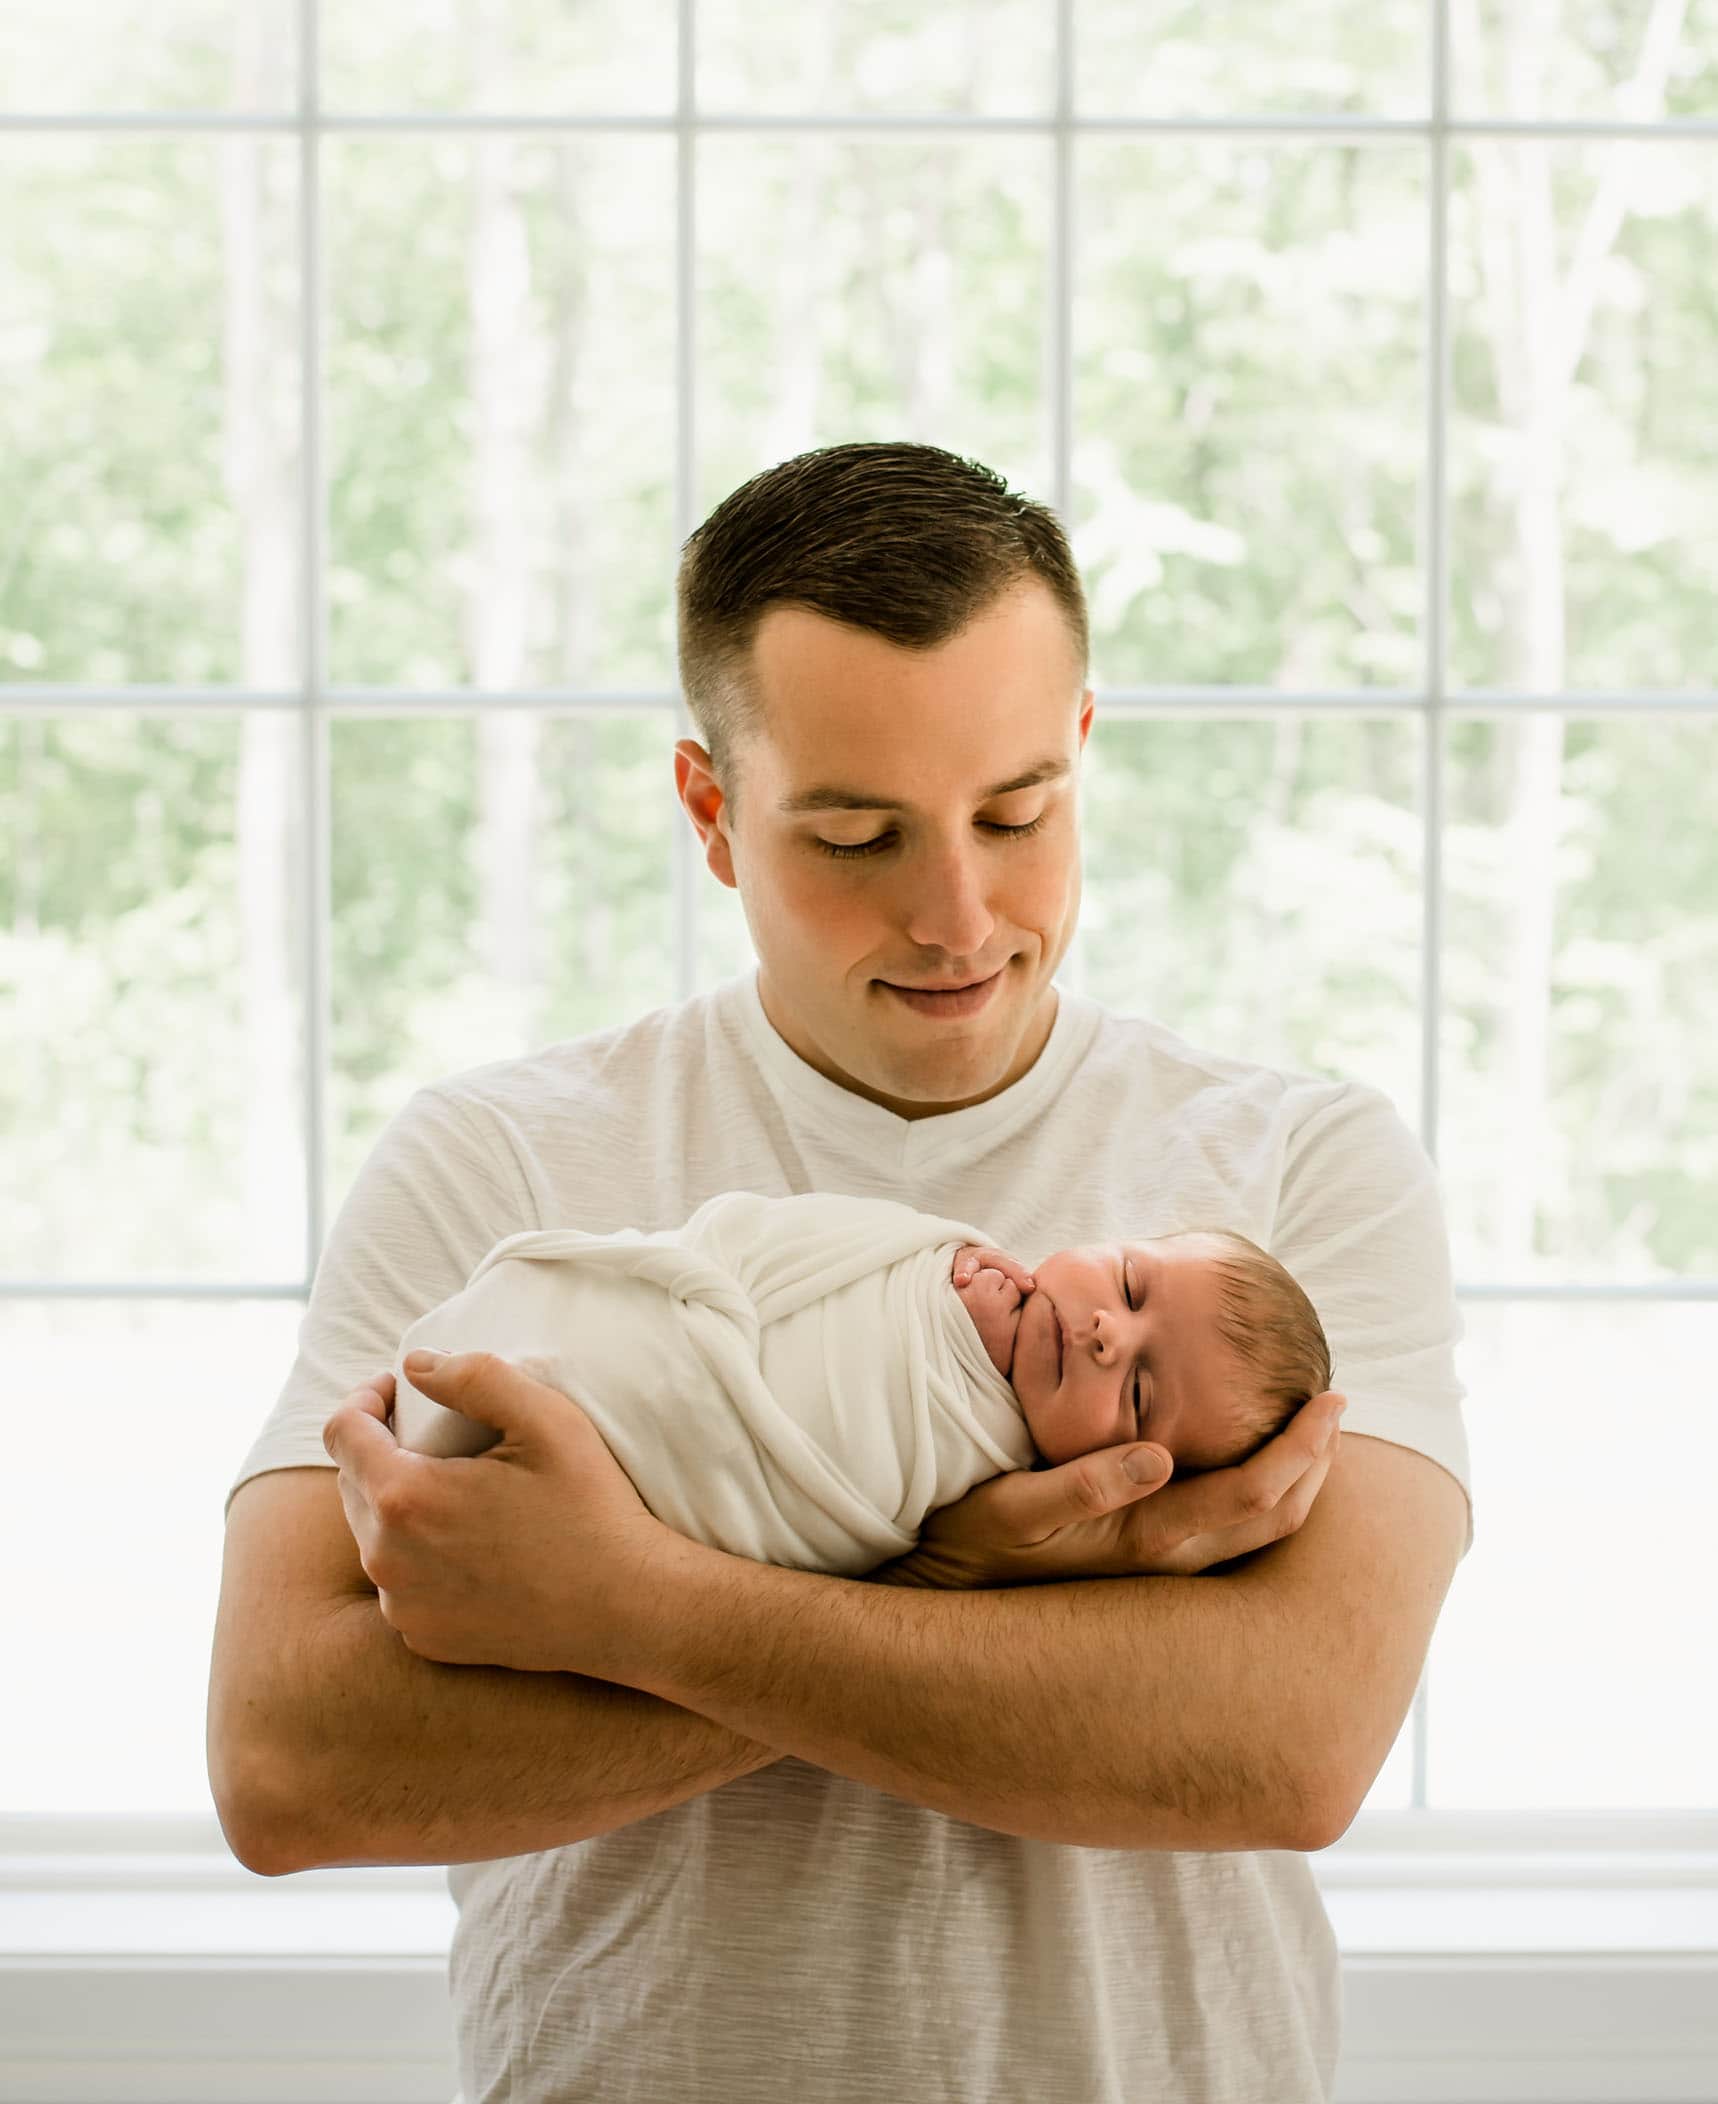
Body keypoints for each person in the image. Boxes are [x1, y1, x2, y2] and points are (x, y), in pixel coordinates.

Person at [209, 439, 1474, 2104]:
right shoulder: (501, 1167)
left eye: (1014, 813)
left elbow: (1283, 1746)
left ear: (1080, 751)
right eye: (858, 835)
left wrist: (627, 1601)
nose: (957, 913)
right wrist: (981, 1591)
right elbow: (291, 1763)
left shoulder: (1298, 1173)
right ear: (711, 812)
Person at [384, 1188, 1335, 1579]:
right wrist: (943, 1279)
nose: (1104, 1333)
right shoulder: (955, 1260)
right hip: (659, 1321)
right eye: (1128, 1284)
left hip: (695, 1452)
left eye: (1138, 1394)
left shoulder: (1004, 1489)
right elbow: (775, 1237)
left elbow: (853, 1492)